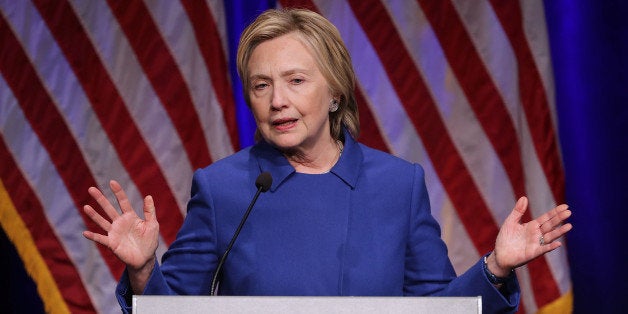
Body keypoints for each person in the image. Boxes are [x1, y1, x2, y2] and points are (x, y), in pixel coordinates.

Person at [82, 8, 572, 314]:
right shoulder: (224, 189)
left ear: (335, 91)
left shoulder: (398, 185)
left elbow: (437, 312)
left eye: (296, 80)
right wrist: (146, 269)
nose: (277, 100)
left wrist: (496, 268)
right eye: (261, 85)